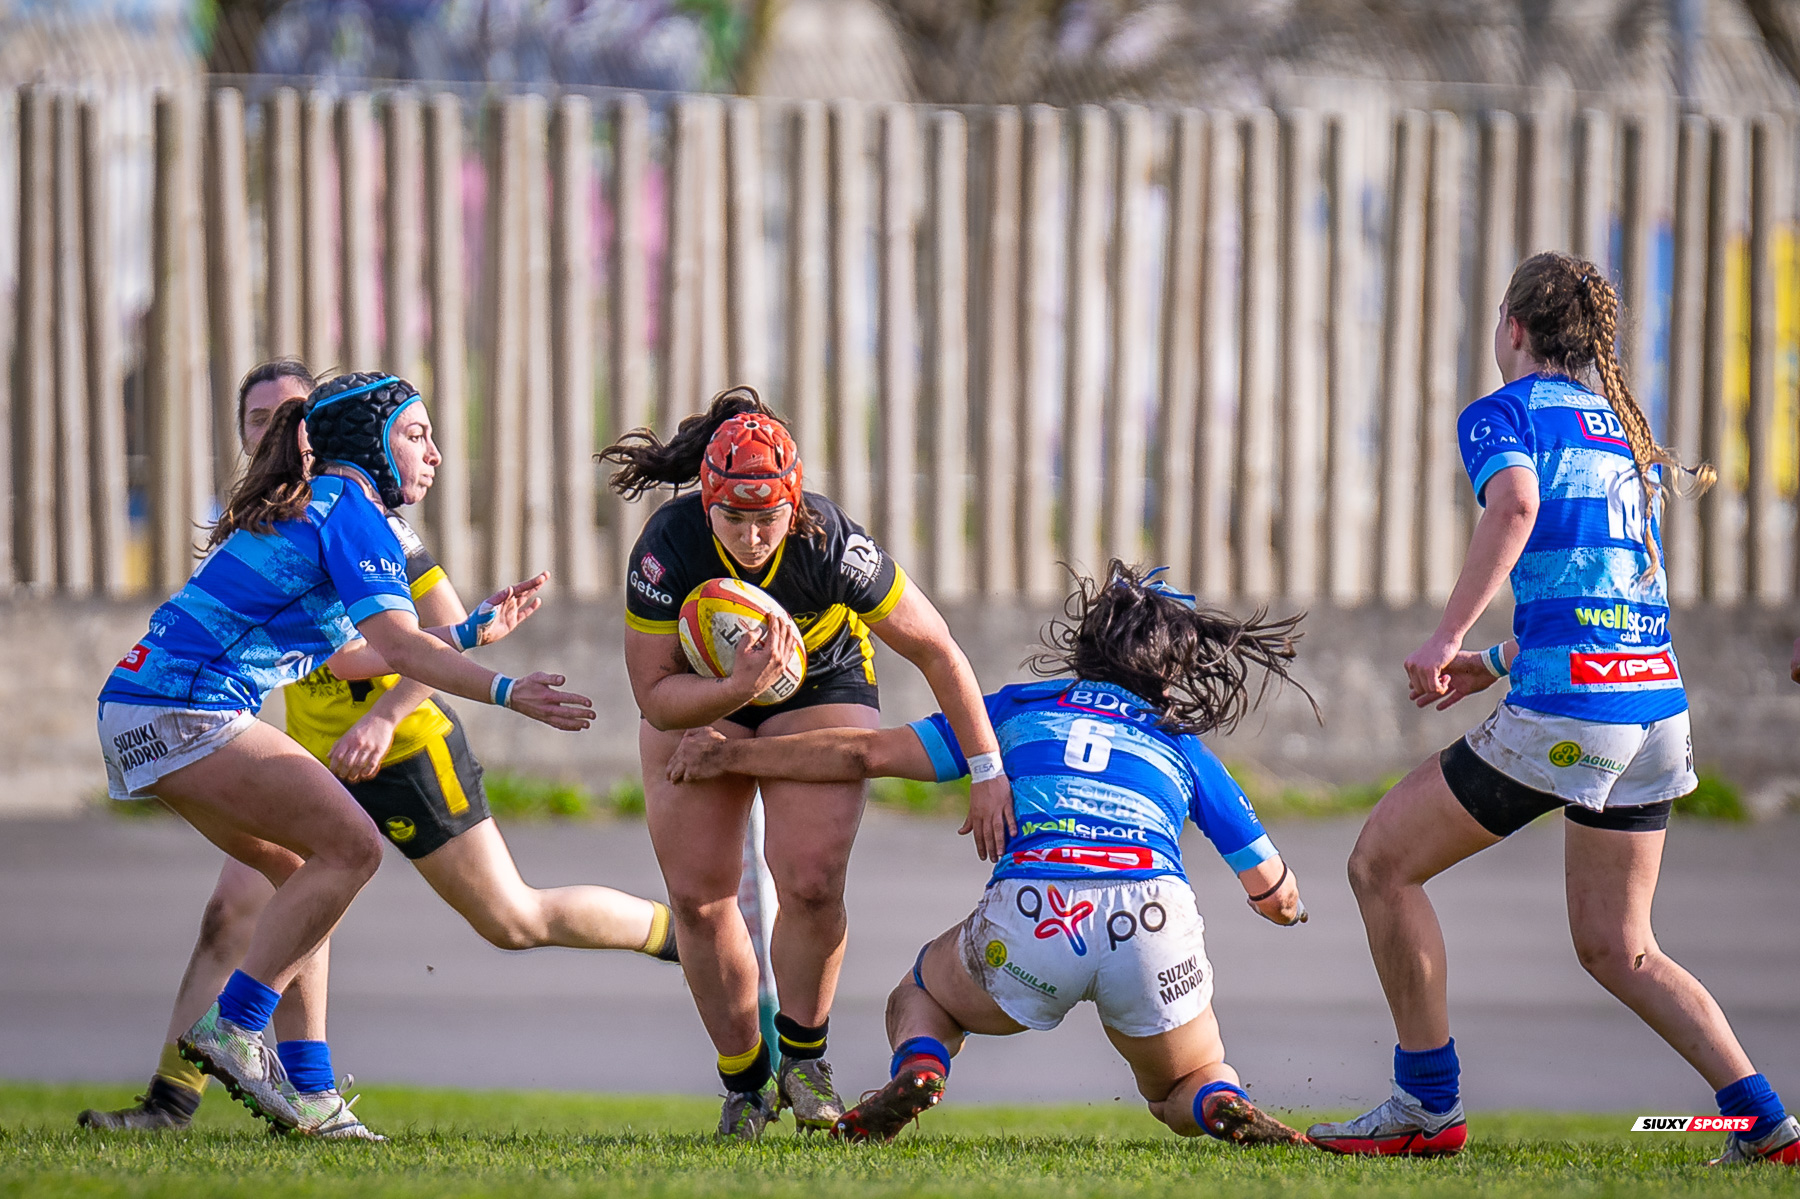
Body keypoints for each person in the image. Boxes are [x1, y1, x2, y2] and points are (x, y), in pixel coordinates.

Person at [80, 363, 677, 1138]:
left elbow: (352, 657)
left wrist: (467, 634)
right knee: (352, 851)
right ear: (371, 439)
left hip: (141, 710)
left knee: (303, 871)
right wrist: (504, 689)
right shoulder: (351, 507)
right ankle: (230, 1032)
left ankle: (310, 1093)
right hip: (185, 710)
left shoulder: (325, 507)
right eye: (419, 433)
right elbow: (396, 642)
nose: (434, 452)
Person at [1306, 252, 1797, 1166]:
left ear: (1515, 328)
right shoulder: (1619, 428)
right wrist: (1495, 661)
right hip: (1653, 707)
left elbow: (1518, 504)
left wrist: (1448, 638)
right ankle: (1760, 1121)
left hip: (1576, 712)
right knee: (1619, 945)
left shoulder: (1503, 415)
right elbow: (1601, 593)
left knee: (1380, 863)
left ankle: (1427, 1105)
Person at [665, 562, 1311, 1145]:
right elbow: (1273, 891)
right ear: (1172, 669)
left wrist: (730, 754)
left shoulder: (1014, 709)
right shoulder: (1181, 743)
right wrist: (1286, 907)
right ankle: (1218, 1098)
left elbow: (866, 752)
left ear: (1087, 646)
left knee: (922, 995)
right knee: (1186, 1077)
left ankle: (921, 1065)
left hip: (1034, 912)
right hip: (1150, 919)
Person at [601, 386, 1011, 1138]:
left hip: (818, 677)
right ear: (706, 502)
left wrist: (987, 771)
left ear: (795, 503)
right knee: (698, 897)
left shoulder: (830, 542)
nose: (754, 537)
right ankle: (746, 1081)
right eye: (735, 517)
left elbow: (937, 649)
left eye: (769, 518)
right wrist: (732, 688)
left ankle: (805, 1056)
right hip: (702, 687)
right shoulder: (668, 545)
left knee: (813, 881)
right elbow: (655, 698)